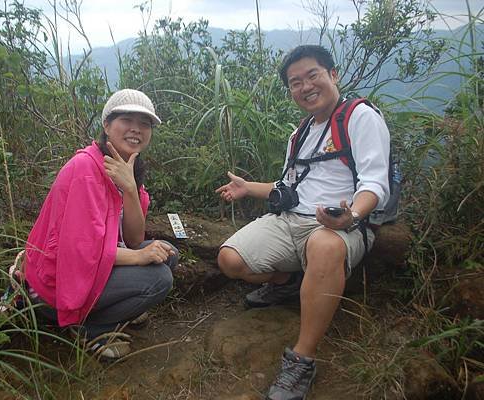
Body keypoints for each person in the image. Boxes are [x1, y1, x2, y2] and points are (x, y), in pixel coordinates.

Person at [215, 45, 390, 399]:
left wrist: (352, 215)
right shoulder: (301, 133)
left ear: (333, 75)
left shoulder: (359, 117)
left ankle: (302, 359)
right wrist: (249, 188)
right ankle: (286, 282)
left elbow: (375, 184)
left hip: (340, 226)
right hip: (291, 220)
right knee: (229, 258)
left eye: (313, 75)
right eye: (296, 82)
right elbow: (288, 187)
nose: (306, 86)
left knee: (323, 244)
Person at [24, 89, 179, 359]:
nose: (136, 129)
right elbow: (81, 250)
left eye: (144, 123)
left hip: (93, 267)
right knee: (159, 278)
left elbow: (132, 239)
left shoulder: (129, 168)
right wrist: (138, 256)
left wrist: (130, 190)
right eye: (126, 120)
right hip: (54, 287)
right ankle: (93, 328)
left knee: (167, 253)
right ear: (106, 126)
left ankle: (119, 306)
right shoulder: (86, 169)